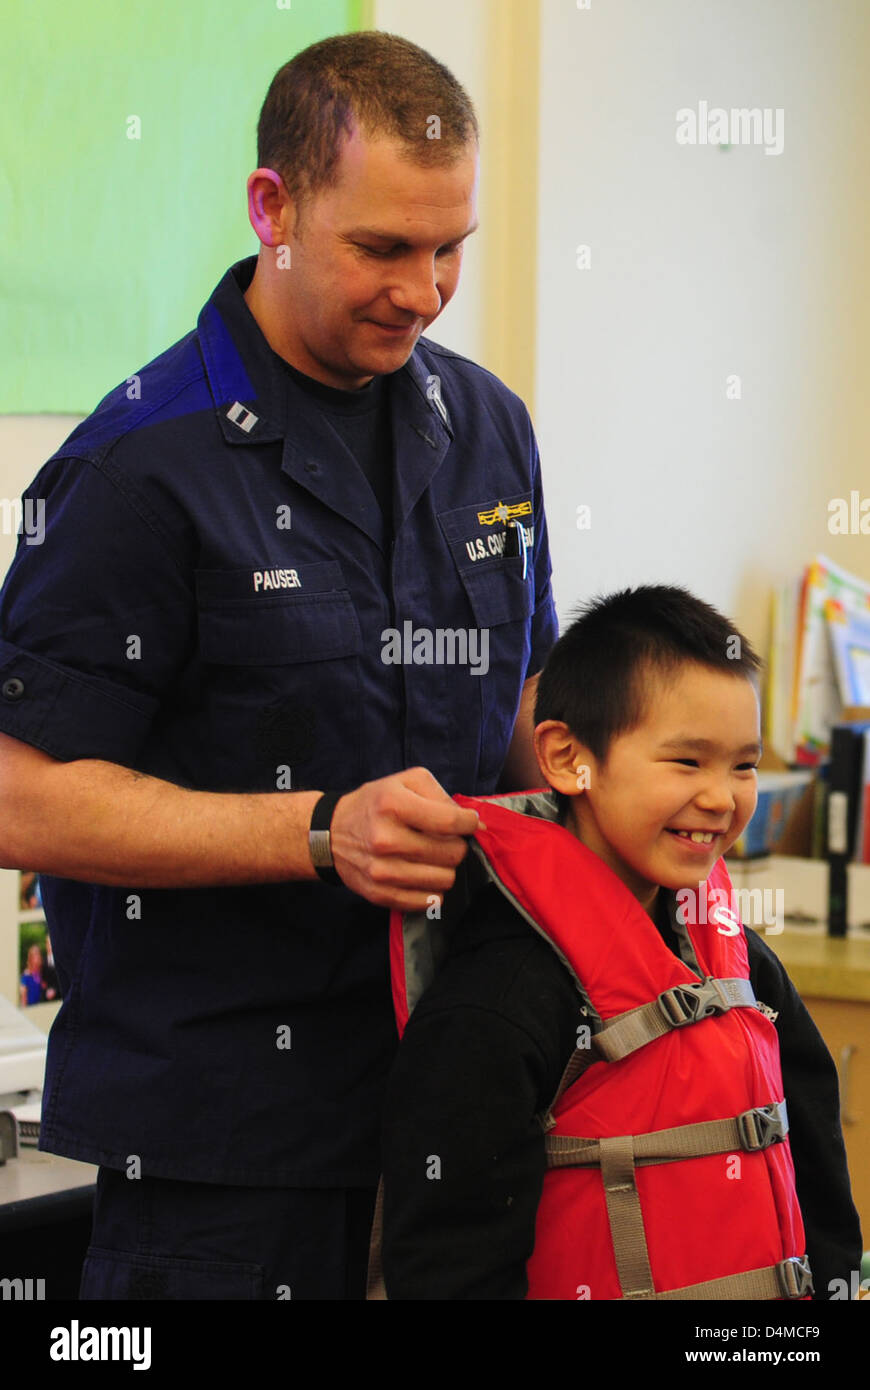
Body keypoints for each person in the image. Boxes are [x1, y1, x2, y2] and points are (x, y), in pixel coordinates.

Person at [0, 32, 557, 1299]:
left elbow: (527, 692)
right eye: (381, 249)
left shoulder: (487, 429)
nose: (424, 291)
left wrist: (635, 772)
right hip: (228, 1158)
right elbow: (16, 793)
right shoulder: (141, 467)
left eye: (450, 247)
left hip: (464, 1106)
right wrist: (317, 831)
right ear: (276, 208)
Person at [380, 586, 862, 1299]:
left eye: (745, 765)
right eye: (688, 762)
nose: (723, 798)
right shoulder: (499, 1000)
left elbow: (817, 1167)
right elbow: (450, 1263)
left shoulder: (741, 964)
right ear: (569, 756)